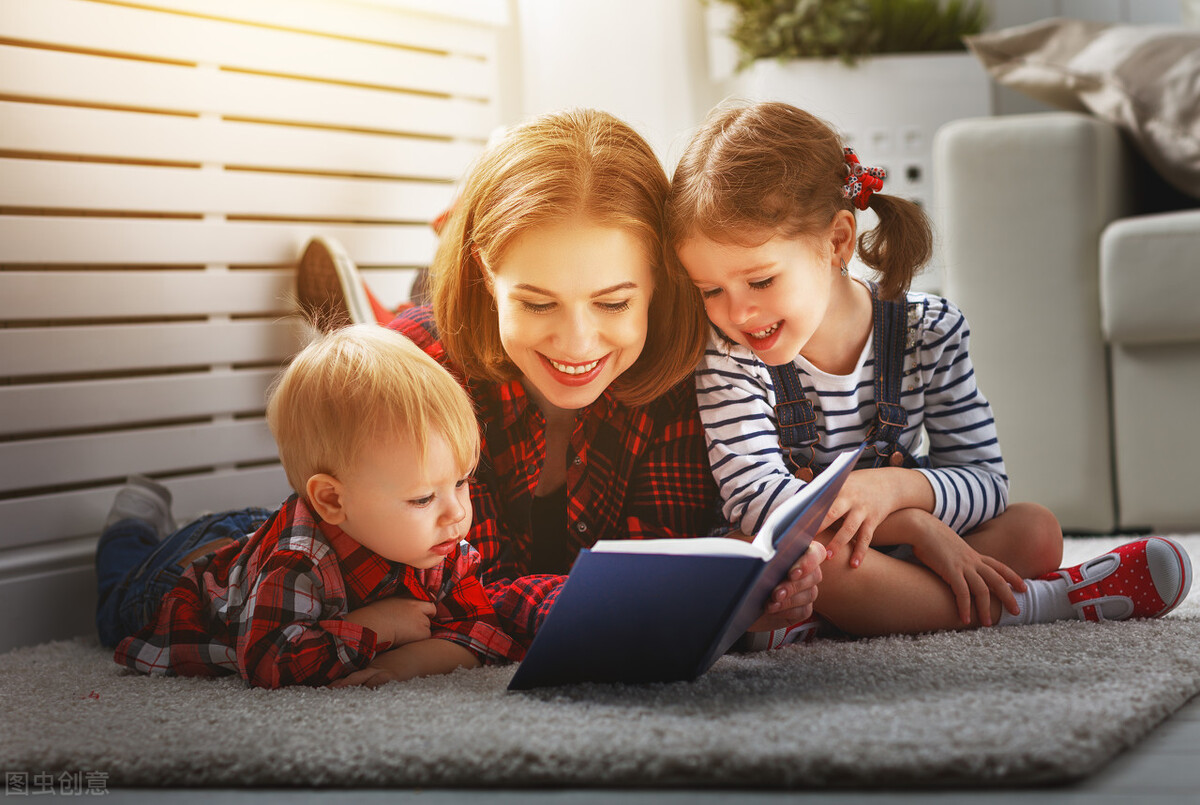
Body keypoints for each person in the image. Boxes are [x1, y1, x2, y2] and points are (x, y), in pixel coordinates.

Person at [295, 108, 825, 650]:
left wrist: (728, 596)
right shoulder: (426, 374)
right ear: (486, 272)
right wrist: (660, 603)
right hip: (267, 560)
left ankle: (377, 307)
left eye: (614, 302)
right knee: (218, 551)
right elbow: (462, 597)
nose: (576, 343)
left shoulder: (684, 372)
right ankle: (373, 319)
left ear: (659, 284)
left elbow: (659, 559)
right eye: (538, 303)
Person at [664, 100, 1192, 640]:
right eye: (710, 290)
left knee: (1035, 530)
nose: (738, 313)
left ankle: (851, 615)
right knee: (780, 557)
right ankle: (1052, 601)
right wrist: (912, 525)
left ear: (837, 241)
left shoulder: (929, 330)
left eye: (759, 281)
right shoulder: (729, 355)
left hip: (881, 553)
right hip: (815, 555)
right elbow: (757, 503)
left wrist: (896, 489)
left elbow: (986, 482)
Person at [94, 324, 520, 689]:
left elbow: (484, 632)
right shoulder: (298, 563)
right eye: (424, 497)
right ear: (333, 499)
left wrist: (401, 663)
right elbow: (269, 663)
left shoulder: (439, 544)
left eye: (462, 482)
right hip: (182, 579)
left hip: (268, 531)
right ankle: (130, 526)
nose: (457, 513)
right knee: (115, 609)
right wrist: (375, 627)